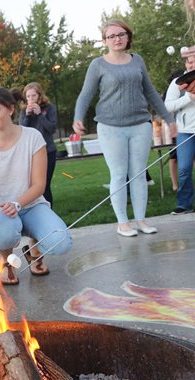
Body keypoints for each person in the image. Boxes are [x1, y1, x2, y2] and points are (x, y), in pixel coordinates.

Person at [73, 19, 177, 237]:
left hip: (140, 125)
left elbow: (150, 92)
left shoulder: (137, 60)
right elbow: (85, 94)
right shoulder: (98, 65)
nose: (117, 39)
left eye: (121, 34)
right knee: (119, 174)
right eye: (111, 36)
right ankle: (123, 223)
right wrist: (78, 117)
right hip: (110, 127)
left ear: (128, 36)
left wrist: (168, 119)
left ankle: (141, 220)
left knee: (139, 174)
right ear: (105, 40)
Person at [0, 87, 73, 285]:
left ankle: (35, 249)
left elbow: (39, 185)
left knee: (61, 244)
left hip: (31, 204)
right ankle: (7, 261)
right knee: (5, 236)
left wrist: (17, 203)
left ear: (11, 109)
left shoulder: (33, 137)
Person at [165, 53, 195, 215]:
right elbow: (168, 106)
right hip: (185, 132)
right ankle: (184, 204)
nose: (192, 65)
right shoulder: (178, 83)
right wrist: (189, 97)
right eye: (190, 62)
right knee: (184, 169)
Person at [19, 82, 58, 206]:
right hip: (30, 153)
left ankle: (49, 212)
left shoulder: (49, 108)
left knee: (44, 185)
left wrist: (40, 114)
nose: (31, 99)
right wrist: (27, 116)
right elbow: (21, 130)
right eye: (28, 96)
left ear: (39, 96)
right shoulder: (24, 111)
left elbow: (51, 128)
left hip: (48, 151)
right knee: (32, 185)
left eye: (33, 96)